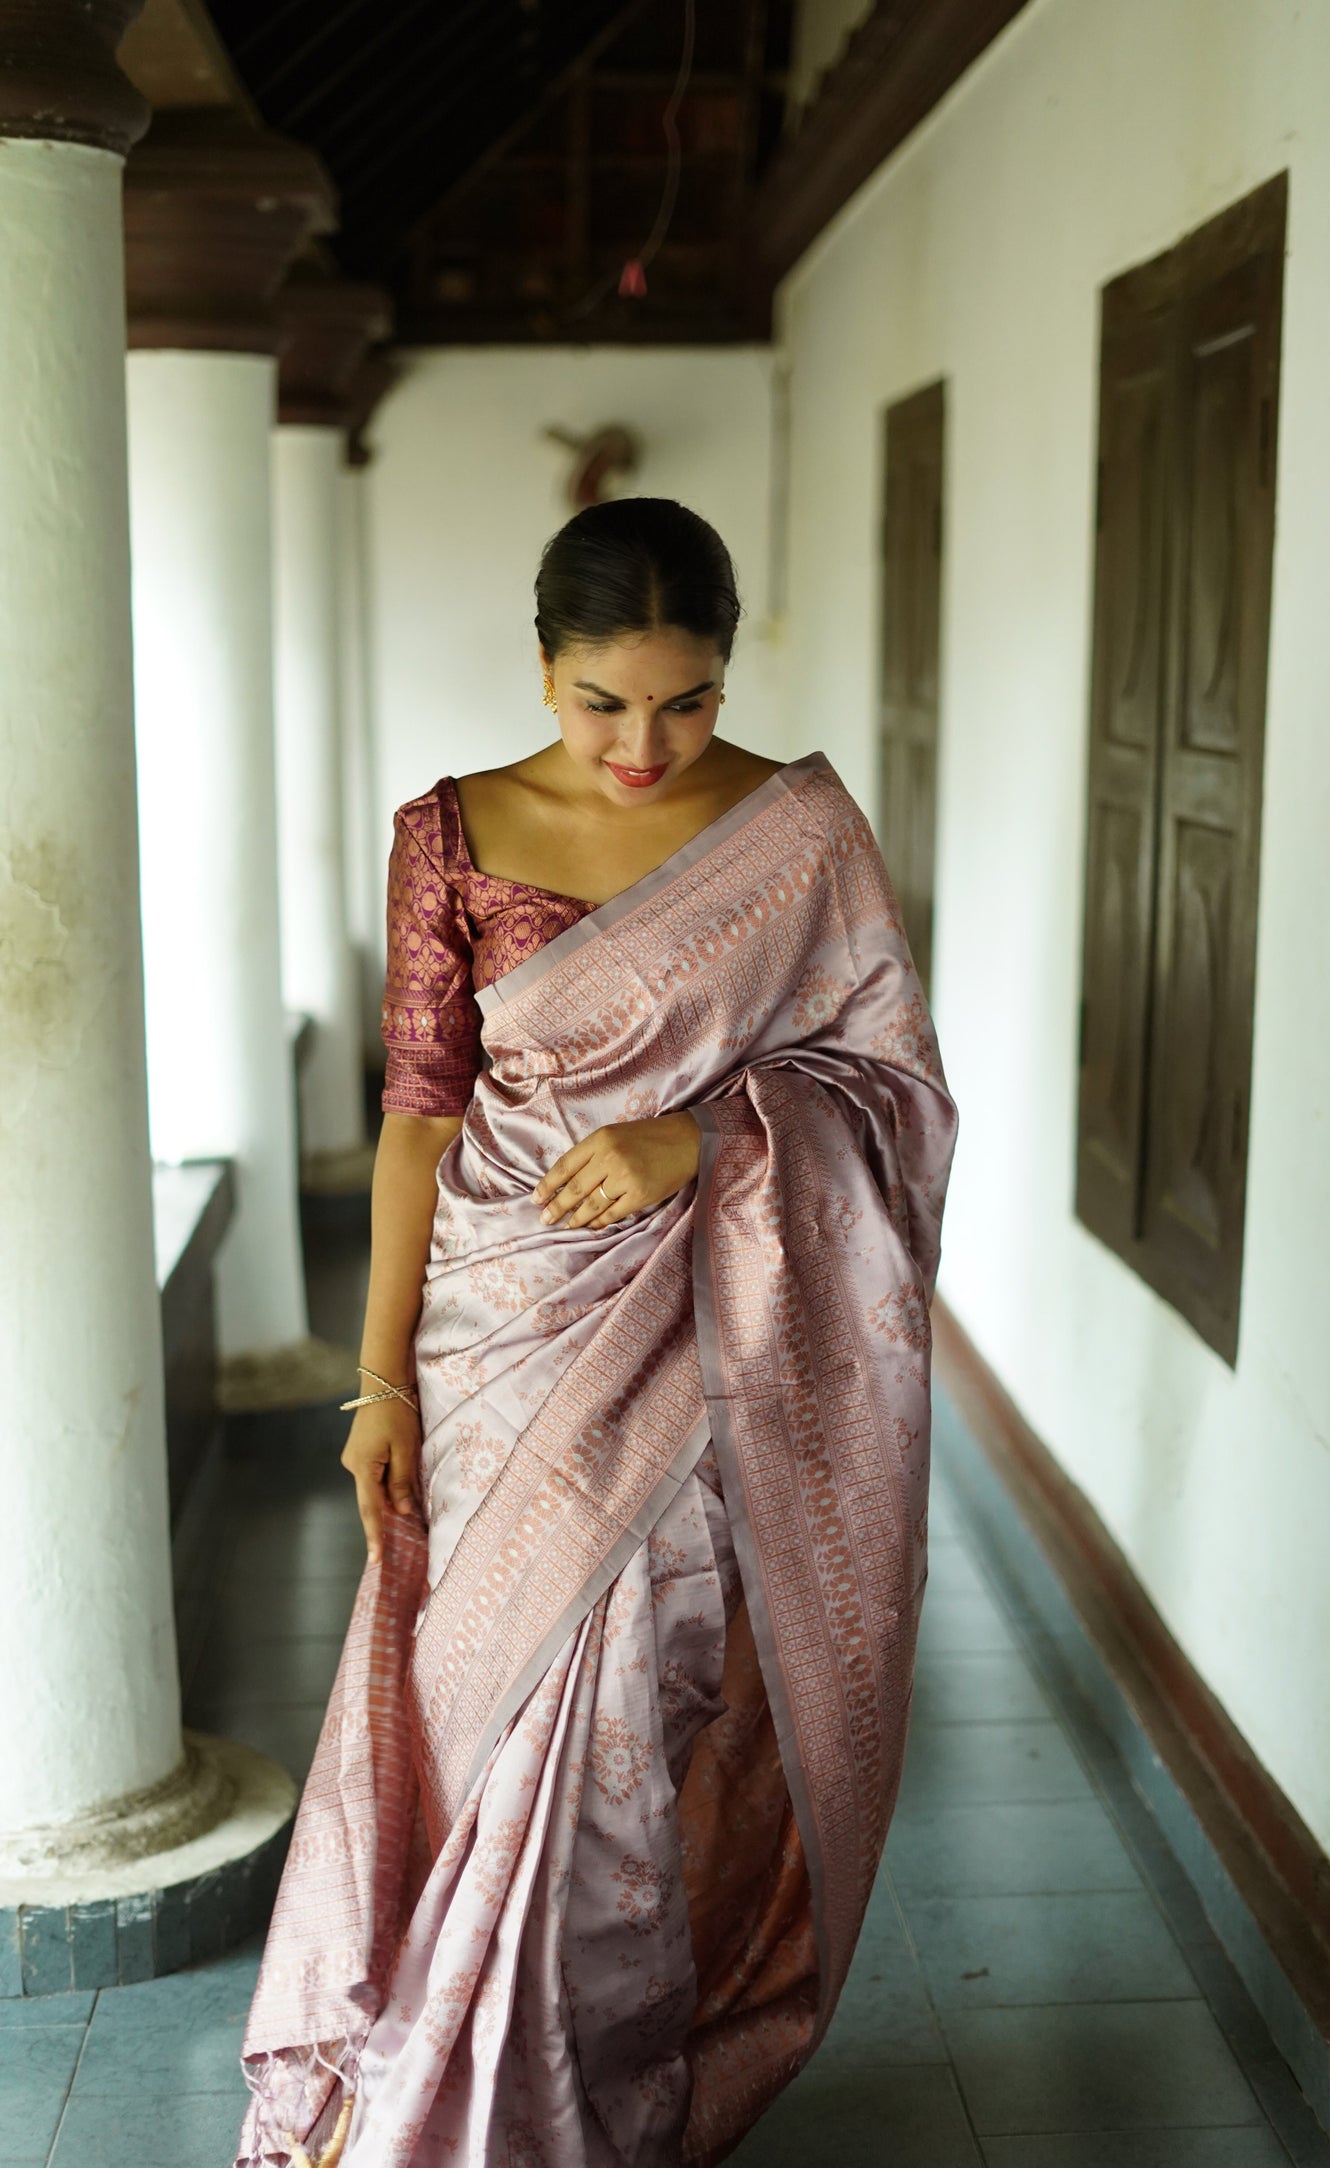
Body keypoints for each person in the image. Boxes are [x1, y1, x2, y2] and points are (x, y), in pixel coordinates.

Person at [234, 497, 958, 2167]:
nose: (644, 743)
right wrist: (373, 1378)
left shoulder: (798, 834)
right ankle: (431, 2077)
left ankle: (561, 2094)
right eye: (603, 700)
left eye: (686, 699)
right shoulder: (453, 832)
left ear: (727, 667)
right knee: (479, 1694)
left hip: (708, 1327)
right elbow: (418, 1119)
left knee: (629, 1703)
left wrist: (698, 1140)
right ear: (542, 665)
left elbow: (889, 1088)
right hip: (496, 1329)